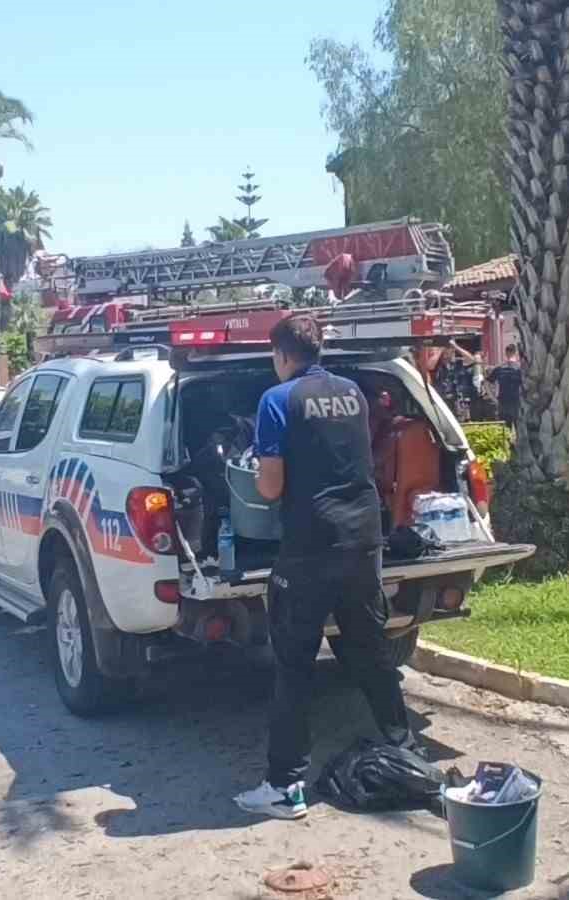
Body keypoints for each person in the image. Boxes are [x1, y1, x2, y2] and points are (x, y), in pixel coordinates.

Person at [233, 315, 415, 820]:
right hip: (363, 540)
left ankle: (284, 788)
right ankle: (404, 746)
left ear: (282, 355)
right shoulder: (352, 392)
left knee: (293, 667)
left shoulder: (277, 400)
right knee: (371, 650)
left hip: (310, 545)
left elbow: (268, 488)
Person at [486, 344, 523, 429]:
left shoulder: (499, 368)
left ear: (506, 353)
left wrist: (493, 398)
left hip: (502, 402)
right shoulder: (520, 368)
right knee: (519, 431)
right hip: (516, 403)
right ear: (515, 353)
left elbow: (486, 382)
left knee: (505, 432)